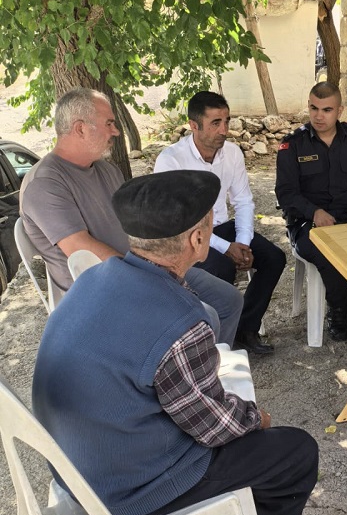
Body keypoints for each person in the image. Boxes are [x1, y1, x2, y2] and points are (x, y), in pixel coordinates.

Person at [32, 169, 319, 515]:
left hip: (78, 469)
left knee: (233, 455)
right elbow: (214, 426)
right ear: (197, 239)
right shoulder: (180, 319)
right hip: (123, 490)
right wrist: (257, 417)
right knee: (294, 452)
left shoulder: (94, 277)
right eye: (210, 222)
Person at [19, 87, 242, 345]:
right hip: (104, 291)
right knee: (205, 316)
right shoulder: (45, 183)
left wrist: (170, 255)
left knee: (229, 300)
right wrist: (154, 279)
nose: (116, 131)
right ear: (80, 128)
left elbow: (137, 226)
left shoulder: (106, 169)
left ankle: (207, 367)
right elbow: (84, 252)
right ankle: (187, 374)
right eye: (109, 123)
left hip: (145, 267)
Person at [154, 91, 286, 356]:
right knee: (221, 267)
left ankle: (245, 329)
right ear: (194, 125)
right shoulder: (171, 160)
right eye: (215, 123)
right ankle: (210, 342)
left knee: (275, 258)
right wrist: (227, 249)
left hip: (222, 226)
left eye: (226, 121)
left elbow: (244, 201)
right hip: (187, 237)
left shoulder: (232, 153)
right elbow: (182, 221)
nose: (223, 130)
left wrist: (243, 243)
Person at [275, 81, 347, 341]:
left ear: (339, 111)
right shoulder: (293, 145)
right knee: (329, 253)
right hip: (307, 222)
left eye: (326, 109)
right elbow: (285, 193)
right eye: (314, 108)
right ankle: (339, 309)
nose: (319, 115)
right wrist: (314, 211)